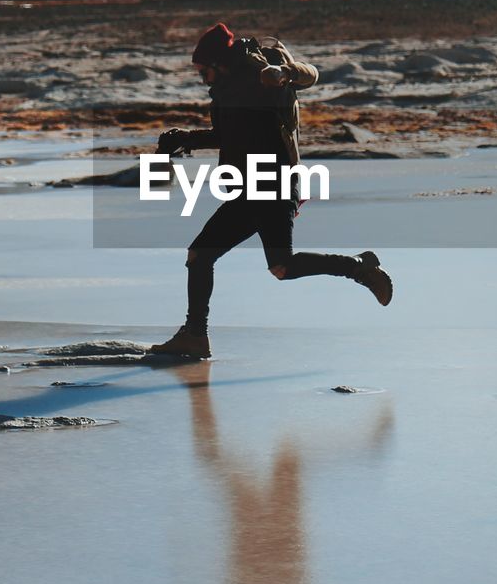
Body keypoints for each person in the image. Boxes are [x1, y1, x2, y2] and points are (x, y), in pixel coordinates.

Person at [149, 22, 393, 359]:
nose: (202, 79)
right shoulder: (223, 94)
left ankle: (359, 266)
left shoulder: (263, 75)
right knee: (204, 256)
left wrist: (284, 72)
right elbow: (226, 136)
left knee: (279, 266)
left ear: (219, 64)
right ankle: (194, 336)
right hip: (248, 187)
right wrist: (184, 138)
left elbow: (311, 75)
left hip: (276, 183)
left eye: (203, 71)